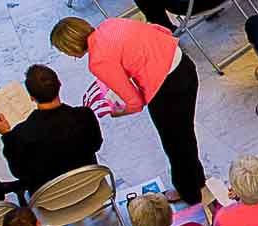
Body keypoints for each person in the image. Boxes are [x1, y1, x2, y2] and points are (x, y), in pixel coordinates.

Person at [51, 15, 205, 205]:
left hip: (167, 89)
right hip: (183, 64)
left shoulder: (98, 61)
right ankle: (196, 179)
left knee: (175, 144)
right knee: (185, 133)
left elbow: (134, 102)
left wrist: (116, 112)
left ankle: (190, 194)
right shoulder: (110, 23)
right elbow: (159, 29)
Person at [0, 63, 102, 192]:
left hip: (51, 201)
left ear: (32, 98)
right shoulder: (85, 115)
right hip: (90, 186)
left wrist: (7, 135)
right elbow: (96, 144)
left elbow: (19, 172)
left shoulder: (20, 135)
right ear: (60, 84)